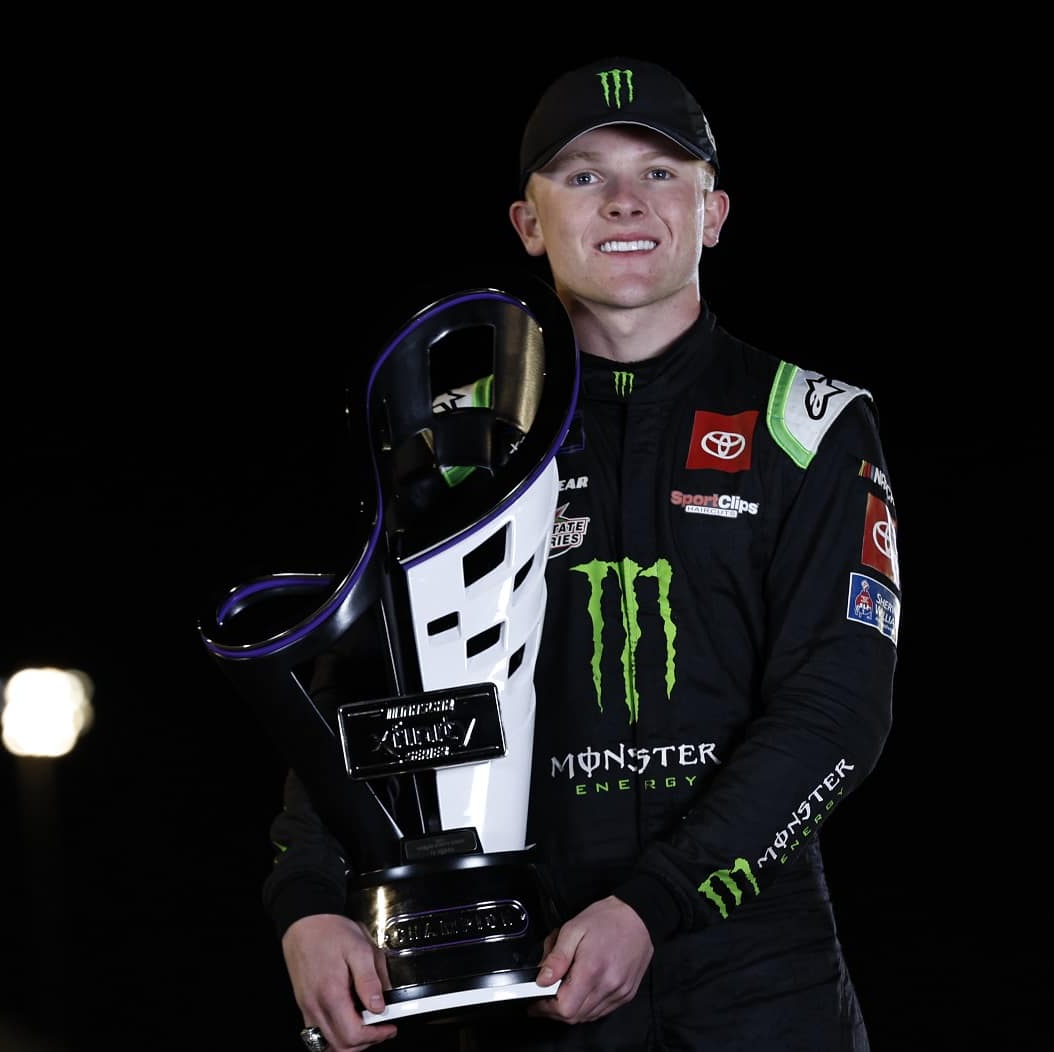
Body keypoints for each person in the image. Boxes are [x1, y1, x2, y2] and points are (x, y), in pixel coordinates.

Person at [264, 56, 902, 1051]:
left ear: (715, 209)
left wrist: (655, 902)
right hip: (526, 971)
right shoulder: (455, 441)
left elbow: (839, 706)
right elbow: (365, 700)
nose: (623, 203)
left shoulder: (808, 423)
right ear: (528, 221)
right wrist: (307, 897)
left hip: (758, 973)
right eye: (583, 175)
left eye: (659, 173)